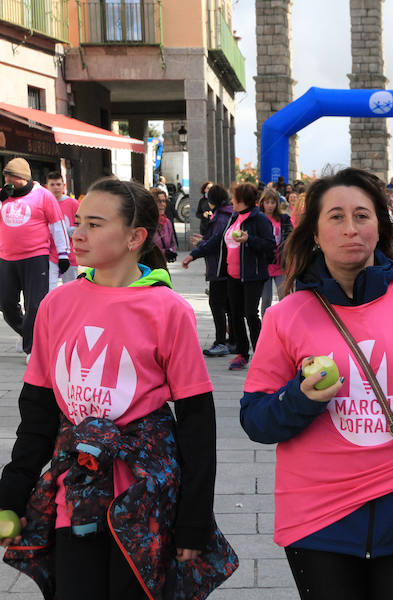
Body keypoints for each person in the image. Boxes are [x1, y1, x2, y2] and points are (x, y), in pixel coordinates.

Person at [238, 167, 393, 600]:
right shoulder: (285, 316)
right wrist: (300, 398)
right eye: (336, 217)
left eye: (363, 216)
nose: (351, 229)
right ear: (314, 232)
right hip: (315, 519)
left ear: (380, 226)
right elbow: (256, 420)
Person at [0, 177, 236, 599]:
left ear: (135, 237)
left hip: (145, 500)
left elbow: (198, 422)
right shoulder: (55, 305)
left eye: (94, 223)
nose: (77, 233)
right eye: (77, 222)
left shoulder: (168, 310)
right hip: (73, 496)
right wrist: (11, 494)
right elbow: (36, 413)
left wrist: (194, 519)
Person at [182, 183, 275, 369]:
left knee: (250, 313)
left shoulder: (259, 220)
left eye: (235, 198)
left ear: (243, 201)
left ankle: (260, 354)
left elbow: (270, 245)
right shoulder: (234, 218)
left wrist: (249, 239)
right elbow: (217, 240)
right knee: (235, 315)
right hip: (232, 276)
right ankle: (242, 353)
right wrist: (194, 255)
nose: (232, 201)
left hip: (252, 276)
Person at [0, 158, 70, 358]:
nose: (7, 180)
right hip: (6, 258)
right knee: (6, 304)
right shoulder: (4, 196)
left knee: (35, 305)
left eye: (10, 176)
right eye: (5, 176)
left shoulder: (43, 196)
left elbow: (58, 225)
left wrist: (63, 253)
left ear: (22, 178)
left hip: (35, 257)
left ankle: (32, 348)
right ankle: (32, 335)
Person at [186, 184, 234, 357]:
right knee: (229, 306)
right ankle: (233, 340)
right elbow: (215, 239)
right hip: (228, 267)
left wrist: (196, 250)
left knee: (216, 305)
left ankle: (221, 342)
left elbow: (216, 242)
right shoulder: (229, 214)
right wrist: (204, 240)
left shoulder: (221, 217)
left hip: (220, 267)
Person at [259, 188, 293, 319]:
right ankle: (266, 327)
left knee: (284, 298)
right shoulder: (259, 219)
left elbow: (291, 236)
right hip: (265, 265)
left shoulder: (283, 219)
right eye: (267, 202)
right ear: (262, 203)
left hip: (281, 264)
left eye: (273, 202)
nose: (270, 205)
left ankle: (284, 325)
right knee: (266, 299)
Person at [46, 171, 79, 287]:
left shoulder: (73, 203)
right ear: (47, 186)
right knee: (50, 288)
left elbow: (81, 226)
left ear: (63, 186)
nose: (56, 188)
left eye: (58, 184)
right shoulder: (45, 203)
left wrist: (68, 230)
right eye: (52, 184)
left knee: (71, 288)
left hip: (70, 254)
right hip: (49, 254)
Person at [152, 189, 178, 262]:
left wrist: (172, 252)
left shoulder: (167, 222)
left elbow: (171, 243)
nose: (162, 204)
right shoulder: (147, 222)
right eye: (159, 201)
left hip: (163, 264)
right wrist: (163, 252)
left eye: (164, 201)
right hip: (149, 266)